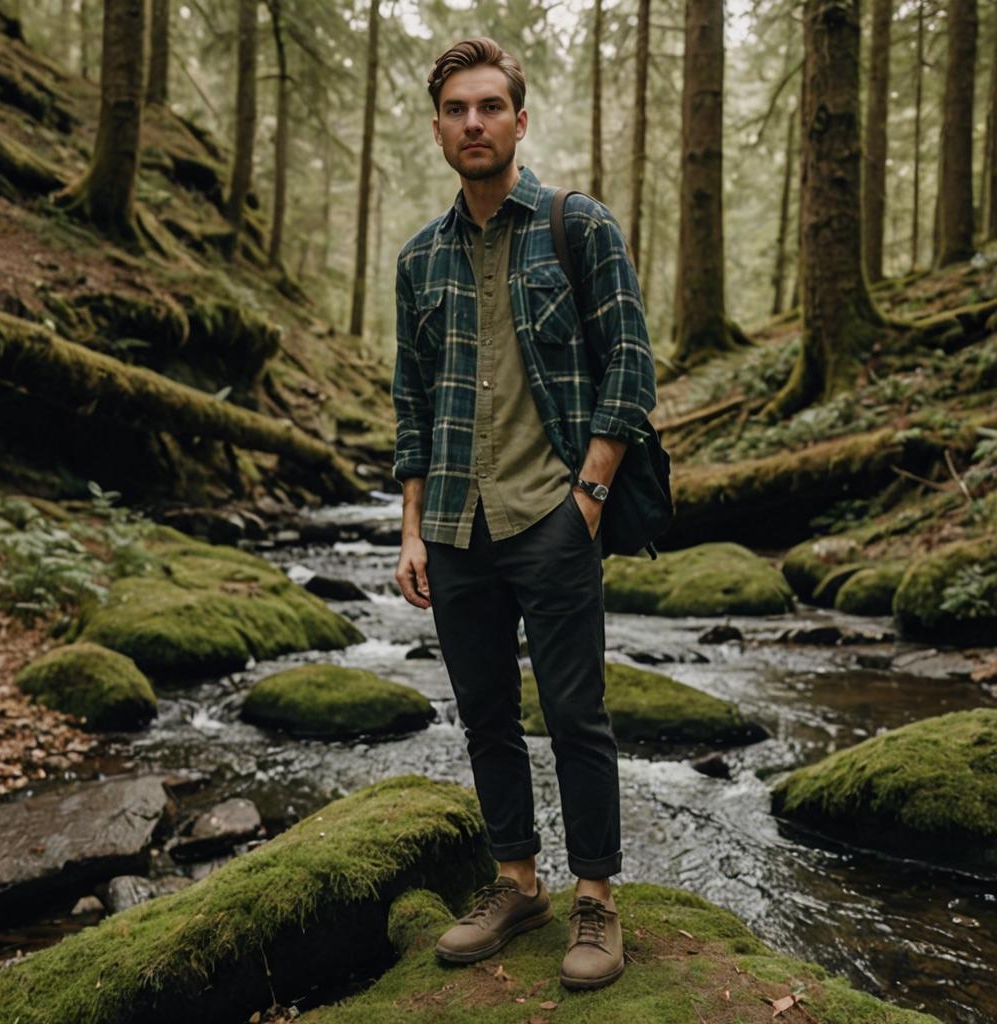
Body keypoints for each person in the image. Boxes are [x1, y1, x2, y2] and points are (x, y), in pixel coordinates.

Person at [391, 36, 656, 992]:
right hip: (457, 524)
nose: (474, 123)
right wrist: (412, 525)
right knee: (485, 717)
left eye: (490, 106)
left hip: (552, 513)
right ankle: (516, 881)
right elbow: (411, 402)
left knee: (577, 714)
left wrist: (588, 494)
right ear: (438, 130)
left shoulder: (575, 227)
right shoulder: (419, 259)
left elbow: (629, 365)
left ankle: (595, 896)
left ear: (519, 119)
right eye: (457, 110)